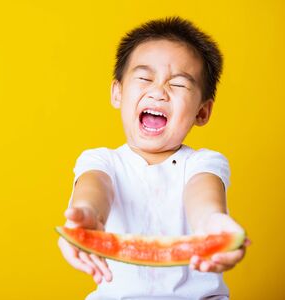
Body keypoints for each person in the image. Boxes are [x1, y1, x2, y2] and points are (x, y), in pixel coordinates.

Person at [58, 16, 250, 299]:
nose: (159, 91)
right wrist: (86, 215)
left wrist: (212, 223)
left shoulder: (204, 163)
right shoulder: (101, 161)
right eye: (145, 78)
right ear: (117, 93)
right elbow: (96, 187)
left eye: (180, 84)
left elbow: (203, 196)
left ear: (202, 112)